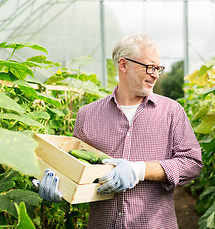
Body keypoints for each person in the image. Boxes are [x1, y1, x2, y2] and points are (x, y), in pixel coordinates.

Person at [35, 33, 203, 228]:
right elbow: (76, 166)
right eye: (150, 67)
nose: (156, 74)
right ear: (123, 65)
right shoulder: (87, 115)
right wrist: (61, 187)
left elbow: (192, 163)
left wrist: (139, 170)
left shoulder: (172, 112)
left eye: (158, 68)